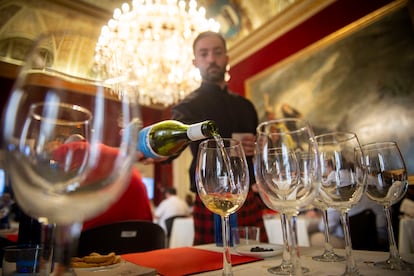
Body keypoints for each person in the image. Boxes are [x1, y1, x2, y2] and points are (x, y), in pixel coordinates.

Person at [169, 31, 268, 244]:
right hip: (210, 199)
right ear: (195, 62)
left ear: (227, 58)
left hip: (248, 197)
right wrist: (154, 151)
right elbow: (172, 142)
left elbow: (259, 151)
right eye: (204, 54)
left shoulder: (246, 106)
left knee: (258, 260)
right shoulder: (188, 106)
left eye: (217, 52)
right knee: (211, 265)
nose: (211, 59)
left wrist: (259, 148)